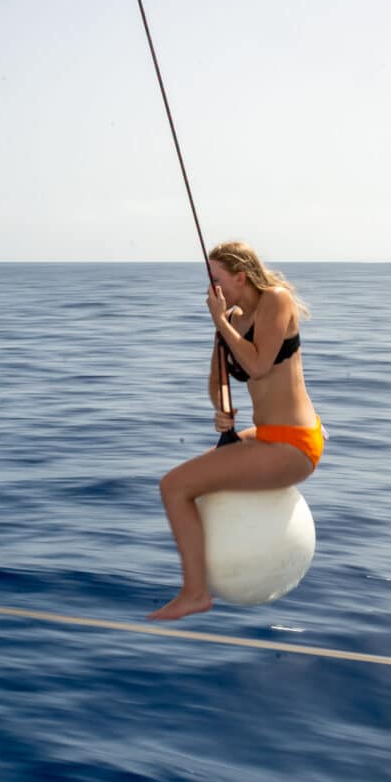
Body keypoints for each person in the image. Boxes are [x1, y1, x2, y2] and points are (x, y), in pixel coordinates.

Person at [149, 241, 324, 622]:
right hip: (266, 435)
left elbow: (259, 366)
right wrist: (221, 410)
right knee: (187, 482)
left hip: (295, 443)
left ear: (240, 277)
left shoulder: (275, 301)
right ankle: (197, 584)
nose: (211, 289)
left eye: (217, 279)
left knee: (173, 486)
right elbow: (216, 382)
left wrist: (220, 322)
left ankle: (194, 593)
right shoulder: (230, 320)